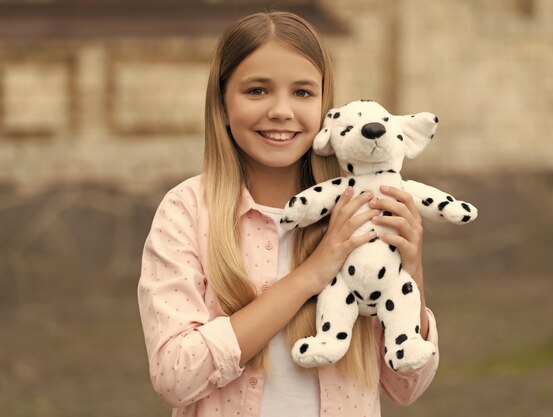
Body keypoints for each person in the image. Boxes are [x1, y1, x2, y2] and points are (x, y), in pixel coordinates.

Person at [137, 10, 439, 417]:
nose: (281, 110)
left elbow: (406, 385)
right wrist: (310, 275)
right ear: (223, 104)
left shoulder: (362, 210)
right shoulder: (187, 212)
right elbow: (175, 375)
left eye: (302, 93)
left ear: (326, 110)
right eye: (257, 90)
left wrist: (412, 268)